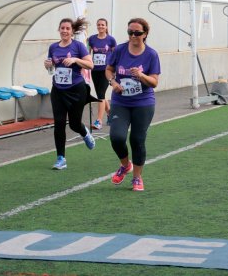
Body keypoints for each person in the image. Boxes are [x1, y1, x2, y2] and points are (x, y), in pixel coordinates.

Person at [105, 18, 161, 191]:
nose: (133, 36)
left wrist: (141, 76)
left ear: (145, 34)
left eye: (137, 33)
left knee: (137, 139)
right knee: (117, 137)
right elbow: (109, 70)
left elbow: (154, 82)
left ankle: (137, 177)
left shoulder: (151, 54)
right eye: (130, 32)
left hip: (143, 102)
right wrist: (113, 83)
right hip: (121, 101)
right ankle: (125, 165)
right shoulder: (120, 50)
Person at [44, 17, 96, 170]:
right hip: (58, 90)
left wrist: (75, 60)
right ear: (59, 30)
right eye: (62, 28)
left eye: (67, 28)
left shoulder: (78, 46)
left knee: (74, 124)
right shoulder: (53, 47)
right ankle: (61, 158)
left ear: (72, 31)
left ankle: (84, 133)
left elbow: (90, 64)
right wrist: (48, 65)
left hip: (76, 90)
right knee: (59, 123)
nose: (65, 31)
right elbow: (51, 69)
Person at [88, 18, 117, 130]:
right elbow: (87, 53)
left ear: (106, 27)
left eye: (102, 25)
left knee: (100, 95)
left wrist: (114, 69)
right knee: (101, 95)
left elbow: (115, 55)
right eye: (99, 25)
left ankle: (98, 121)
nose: (100, 26)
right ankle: (110, 113)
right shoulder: (92, 39)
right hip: (95, 70)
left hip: (106, 71)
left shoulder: (111, 40)